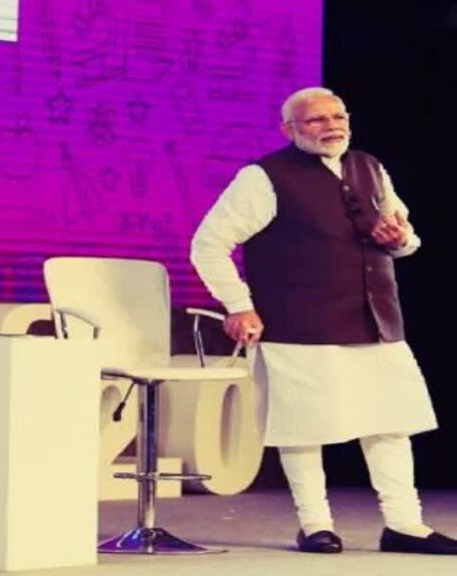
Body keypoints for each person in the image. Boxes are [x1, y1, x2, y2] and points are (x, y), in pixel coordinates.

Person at [190, 86, 457, 555]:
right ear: (288, 129)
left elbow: (406, 238)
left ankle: (404, 525)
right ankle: (315, 525)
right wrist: (239, 304)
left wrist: (397, 239)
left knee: (390, 422)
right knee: (302, 428)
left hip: (376, 320)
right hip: (299, 323)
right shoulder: (263, 177)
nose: (331, 126)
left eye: (338, 116)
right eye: (315, 120)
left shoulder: (369, 166)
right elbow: (208, 243)